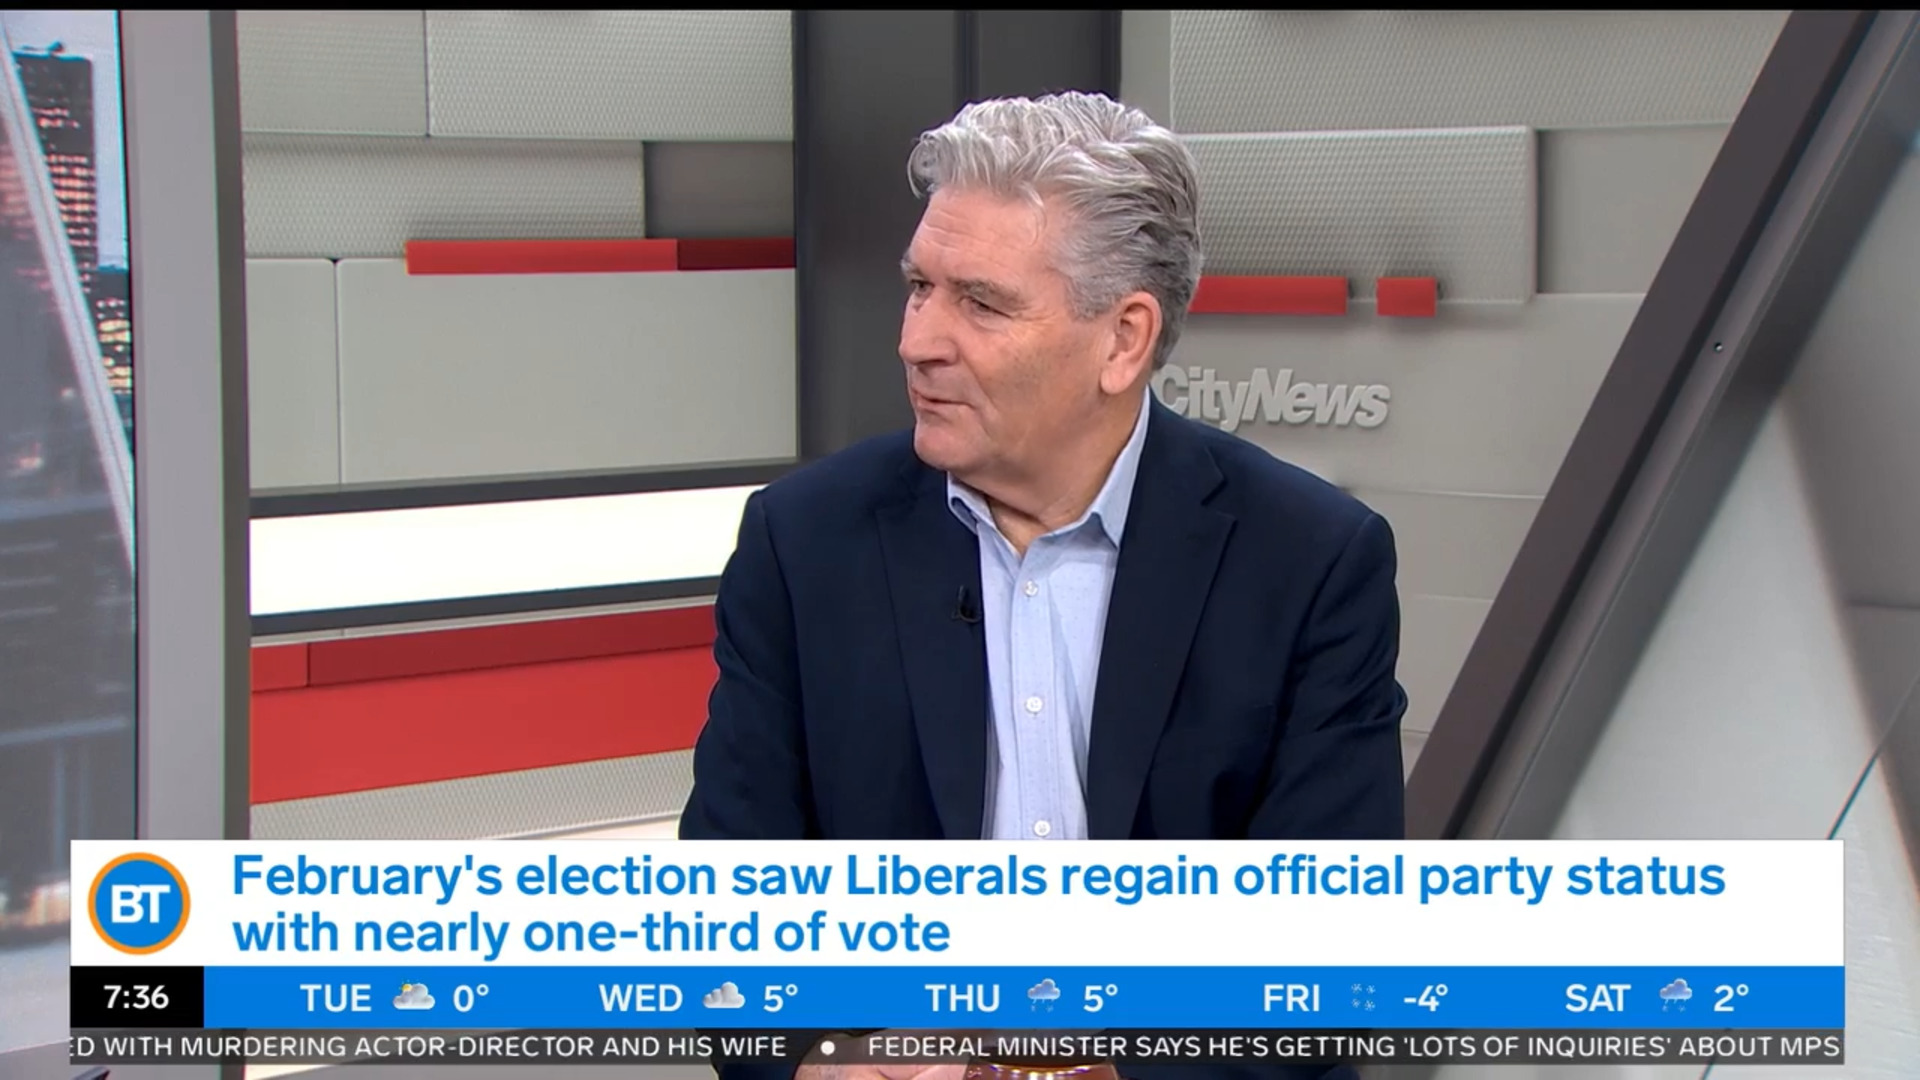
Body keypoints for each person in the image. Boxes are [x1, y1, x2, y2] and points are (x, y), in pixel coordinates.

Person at [682, 92, 1405, 1080]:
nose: (918, 341)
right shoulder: (804, 542)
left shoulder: (1308, 561)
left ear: (1123, 340)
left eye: (980, 303)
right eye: (919, 287)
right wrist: (819, 1061)